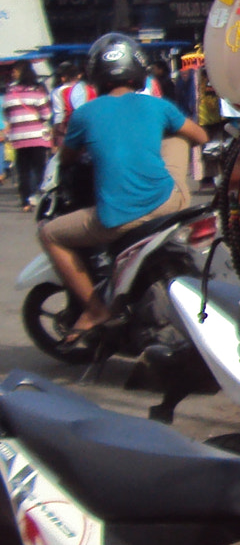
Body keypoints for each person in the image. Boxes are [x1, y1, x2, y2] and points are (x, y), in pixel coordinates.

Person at [39, 34, 206, 339]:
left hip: (121, 216)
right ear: (138, 71)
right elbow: (201, 136)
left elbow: (67, 158)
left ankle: (94, 309)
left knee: (49, 234)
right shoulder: (158, 107)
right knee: (177, 135)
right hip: (171, 202)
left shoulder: (85, 114)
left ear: (96, 77)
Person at [2, 64, 52, 210]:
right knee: (39, 169)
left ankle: (25, 201)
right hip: (37, 136)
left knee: (23, 170)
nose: (13, 73)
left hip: (18, 138)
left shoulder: (10, 93)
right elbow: (47, 115)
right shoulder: (37, 92)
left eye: (15, 70)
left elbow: (7, 114)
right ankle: (41, 197)